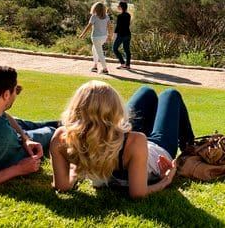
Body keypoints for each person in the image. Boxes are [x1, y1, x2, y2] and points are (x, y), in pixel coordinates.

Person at [49, 82, 194, 199]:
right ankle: (190, 147)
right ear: (115, 109)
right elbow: (138, 193)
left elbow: (62, 186)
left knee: (146, 92)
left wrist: (75, 171)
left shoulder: (61, 137)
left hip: (121, 148)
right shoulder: (136, 140)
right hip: (150, 153)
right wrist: (166, 180)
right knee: (170, 94)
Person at [79, 1, 111, 74]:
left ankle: (105, 69)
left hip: (96, 37)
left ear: (95, 8)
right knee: (94, 49)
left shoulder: (94, 16)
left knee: (100, 53)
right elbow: (109, 27)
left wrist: (82, 34)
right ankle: (95, 66)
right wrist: (109, 36)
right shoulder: (107, 16)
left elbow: (88, 27)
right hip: (103, 37)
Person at [112, 1, 132, 69]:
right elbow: (127, 25)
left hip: (121, 35)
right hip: (128, 34)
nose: (117, 7)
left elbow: (118, 27)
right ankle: (128, 65)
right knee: (127, 50)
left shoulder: (120, 16)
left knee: (114, 49)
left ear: (121, 7)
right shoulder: (128, 15)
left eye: (118, 6)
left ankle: (122, 63)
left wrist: (114, 35)